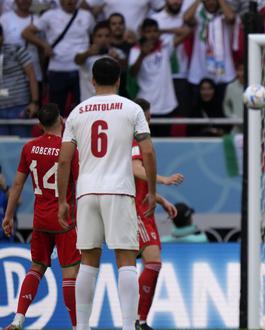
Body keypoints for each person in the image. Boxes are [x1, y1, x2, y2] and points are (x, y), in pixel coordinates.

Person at [56, 57, 157, 330]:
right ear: (119, 80)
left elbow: (64, 160)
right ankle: (127, 326)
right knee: (125, 259)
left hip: (86, 192)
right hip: (120, 191)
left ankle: (83, 327)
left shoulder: (77, 112)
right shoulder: (132, 108)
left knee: (88, 261)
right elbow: (147, 151)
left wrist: (63, 200)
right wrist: (152, 191)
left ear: (92, 80)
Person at [2, 103, 79, 329]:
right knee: (69, 273)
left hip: (40, 220)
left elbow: (16, 185)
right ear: (61, 120)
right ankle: (77, 326)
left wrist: (8, 216)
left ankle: (17, 320)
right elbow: (81, 184)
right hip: (64, 220)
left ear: (39, 124)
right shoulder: (69, 149)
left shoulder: (29, 147)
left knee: (36, 269)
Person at [131, 97, 183, 330]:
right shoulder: (134, 139)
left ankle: (139, 320)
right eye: (146, 118)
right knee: (151, 262)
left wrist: (160, 199)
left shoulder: (141, 140)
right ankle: (136, 320)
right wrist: (163, 179)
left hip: (145, 207)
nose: (149, 122)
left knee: (144, 264)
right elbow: (135, 168)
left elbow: (136, 178)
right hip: (134, 211)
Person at [22, 0, 95, 117]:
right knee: (56, 112)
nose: (69, 2)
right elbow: (26, 33)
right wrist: (44, 45)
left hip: (81, 69)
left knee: (83, 110)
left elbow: (95, 35)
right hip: (57, 69)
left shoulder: (87, 16)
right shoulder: (49, 16)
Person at [129, 18, 189, 137]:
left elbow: (186, 32)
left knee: (166, 144)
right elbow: (132, 73)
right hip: (146, 106)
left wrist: (163, 30)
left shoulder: (165, 47)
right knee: (147, 145)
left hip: (167, 106)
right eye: (148, 31)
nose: (152, 34)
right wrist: (142, 54)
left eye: (154, 31)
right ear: (142, 33)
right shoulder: (135, 50)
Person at [0, 24, 39, 136]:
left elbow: (32, 75)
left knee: (21, 147)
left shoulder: (16, 50)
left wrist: (34, 102)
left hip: (19, 107)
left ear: (2, 36)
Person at [75, 21, 126, 101]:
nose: (103, 39)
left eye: (107, 36)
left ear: (111, 37)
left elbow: (125, 68)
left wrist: (117, 59)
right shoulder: (85, 53)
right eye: (99, 36)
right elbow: (77, 60)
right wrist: (87, 53)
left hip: (111, 104)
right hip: (89, 103)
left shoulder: (117, 53)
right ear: (93, 38)